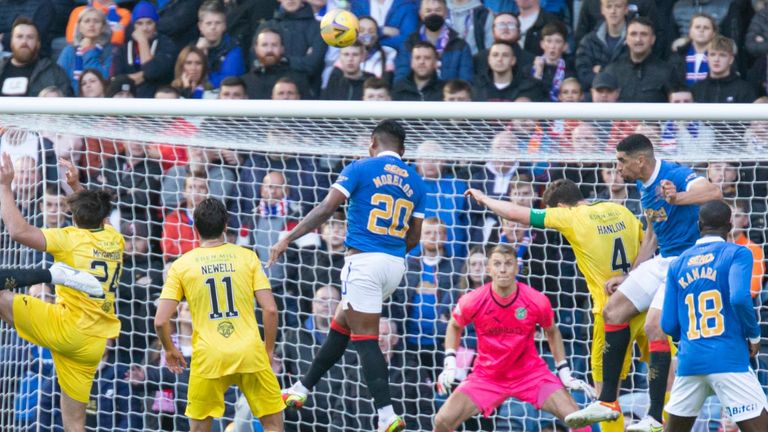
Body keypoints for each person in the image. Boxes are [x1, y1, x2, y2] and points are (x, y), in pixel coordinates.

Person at [271, 120, 427, 432]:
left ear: (372, 143)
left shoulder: (359, 168)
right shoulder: (417, 181)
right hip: (395, 266)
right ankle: (302, 387)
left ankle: (386, 414)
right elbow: (414, 237)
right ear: (403, 149)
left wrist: (289, 237)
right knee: (341, 327)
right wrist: (389, 252)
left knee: (366, 340)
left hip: (364, 262)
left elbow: (327, 208)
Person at [565, 133, 723, 432]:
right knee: (613, 311)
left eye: (621, 161)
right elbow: (652, 234)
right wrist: (632, 273)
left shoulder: (674, 174)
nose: (617, 168)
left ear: (640, 160)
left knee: (653, 327)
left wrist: (678, 197)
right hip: (661, 260)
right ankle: (608, 402)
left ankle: (654, 417)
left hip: (686, 262)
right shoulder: (642, 184)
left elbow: (713, 192)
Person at [466, 178, 645, 432]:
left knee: (605, 392)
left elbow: (519, 214)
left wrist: (485, 199)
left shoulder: (571, 217)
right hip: (644, 301)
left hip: (611, 312)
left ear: (561, 206)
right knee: (668, 372)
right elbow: (649, 239)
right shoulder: (621, 210)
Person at [0, 152, 124, 432]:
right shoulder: (115, 239)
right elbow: (96, 216)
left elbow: (18, 231)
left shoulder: (70, 238)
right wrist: (77, 186)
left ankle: (26, 328)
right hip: (94, 342)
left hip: (65, 327)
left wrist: (5, 186)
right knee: (75, 423)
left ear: (74, 216)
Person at [432, 244, 609, 431]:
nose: (502, 269)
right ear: (488, 269)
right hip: (487, 376)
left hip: (531, 375)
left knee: (577, 420)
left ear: (517, 267)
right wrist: (450, 363)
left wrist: (564, 372)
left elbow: (552, 331)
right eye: (497, 263)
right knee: (442, 421)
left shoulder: (535, 300)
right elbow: (454, 325)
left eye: (508, 263)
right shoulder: (473, 300)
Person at [154, 197, 284, 432]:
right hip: (250, 352)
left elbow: (161, 320)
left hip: (209, 356)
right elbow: (271, 309)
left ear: (195, 228)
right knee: (273, 425)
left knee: (199, 428)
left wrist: (170, 350)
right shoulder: (247, 257)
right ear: (226, 225)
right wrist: (269, 349)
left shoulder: (182, 265)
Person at [661, 200, 768, 432]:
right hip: (729, 359)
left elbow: (668, 324)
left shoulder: (678, 263)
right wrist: (754, 335)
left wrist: (688, 341)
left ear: (699, 225)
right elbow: (740, 298)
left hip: (690, 361)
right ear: (729, 225)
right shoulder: (737, 253)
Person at [0, 17, 71, 96]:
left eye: (30, 37)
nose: (24, 41)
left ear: (38, 44)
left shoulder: (55, 73)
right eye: (19, 36)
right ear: (11, 42)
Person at [57, 7, 113, 96]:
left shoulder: (110, 52)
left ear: (103, 27)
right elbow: (59, 80)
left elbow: (104, 79)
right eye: (87, 21)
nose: (91, 25)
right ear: (79, 27)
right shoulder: (69, 51)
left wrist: (89, 50)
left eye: (96, 21)